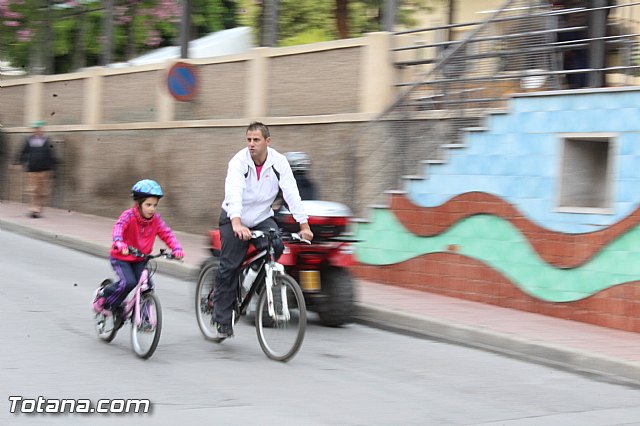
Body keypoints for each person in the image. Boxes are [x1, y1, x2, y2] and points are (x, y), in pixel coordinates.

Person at [213, 122, 314, 338]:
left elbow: (292, 194)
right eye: (248, 140)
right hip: (234, 217)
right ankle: (221, 319)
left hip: (261, 217)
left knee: (277, 246)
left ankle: (252, 274)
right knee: (229, 267)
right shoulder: (239, 162)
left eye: (256, 140)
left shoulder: (279, 163)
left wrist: (303, 225)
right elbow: (234, 193)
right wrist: (237, 223)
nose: (251, 144)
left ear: (267, 141)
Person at [92, 179, 184, 325]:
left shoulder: (156, 220)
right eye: (148, 205)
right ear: (138, 204)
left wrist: (177, 248)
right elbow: (119, 227)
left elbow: (167, 233)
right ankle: (104, 295)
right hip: (122, 257)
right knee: (128, 282)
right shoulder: (129, 216)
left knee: (148, 285)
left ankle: (146, 318)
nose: (152, 209)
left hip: (141, 259)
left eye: (155, 205)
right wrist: (119, 241)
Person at [15, 120, 56, 218]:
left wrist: (53, 168)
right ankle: (34, 210)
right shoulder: (28, 140)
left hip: (44, 170)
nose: (36, 130)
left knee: (42, 191)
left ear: (42, 129)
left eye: (38, 128)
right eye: (34, 128)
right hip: (32, 169)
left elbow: (51, 154)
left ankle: (38, 208)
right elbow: (23, 152)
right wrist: (18, 162)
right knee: (33, 190)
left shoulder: (47, 140)